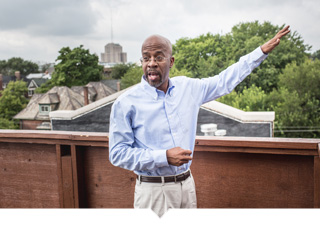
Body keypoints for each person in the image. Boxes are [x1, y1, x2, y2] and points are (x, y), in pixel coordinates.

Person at [109, 26, 290, 217]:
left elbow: (224, 81)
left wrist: (259, 52)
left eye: (158, 57)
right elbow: (117, 153)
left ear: (171, 62)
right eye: (146, 58)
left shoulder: (189, 88)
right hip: (153, 193)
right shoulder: (126, 103)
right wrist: (163, 157)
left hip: (187, 186)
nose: (151, 63)